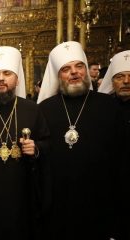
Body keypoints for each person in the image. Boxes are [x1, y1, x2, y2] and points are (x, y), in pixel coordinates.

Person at [37, 41, 123, 240]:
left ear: (85, 70)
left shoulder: (108, 106)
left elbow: (119, 157)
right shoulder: (44, 109)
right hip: (58, 202)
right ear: (58, 76)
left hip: (100, 200)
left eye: (79, 66)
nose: (74, 73)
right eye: (66, 69)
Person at [0, 46, 50, 240]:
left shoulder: (32, 109)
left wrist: (36, 148)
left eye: (7, 73)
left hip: (22, 189)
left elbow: (47, 141)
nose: (1, 78)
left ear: (17, 79)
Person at [98, 50, 130, 239]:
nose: (126, 81)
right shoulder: (102, 108)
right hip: (110, 184)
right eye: (119, 77)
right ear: (112, 81)